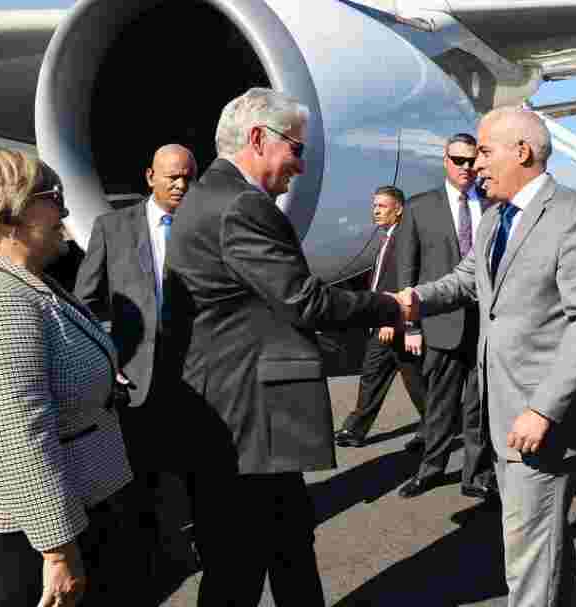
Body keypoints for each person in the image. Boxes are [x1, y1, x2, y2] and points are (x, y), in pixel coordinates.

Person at [162, 88, 404, 607]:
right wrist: (390, 306)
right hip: (247, 418)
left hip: (241, 413)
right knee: (240, 564)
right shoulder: (241, 205)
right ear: (258, 139)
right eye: (297, 148)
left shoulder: (212, 197)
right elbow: (304, 301)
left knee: (287, 541)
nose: (300, 164)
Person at [396, 106, 576, 607]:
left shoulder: (575, 216)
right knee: (543, 546)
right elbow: (467, 280)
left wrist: (543, 408)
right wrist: (414, 299)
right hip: (501, 409)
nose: (476, 163)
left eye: (486, 151)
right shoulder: (496, 216)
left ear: (523, 151)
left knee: (527, 554)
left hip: (541, 417)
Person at [0, 149, 133, 607]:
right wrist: (57, 549)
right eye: (52, 197)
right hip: (26, 543)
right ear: (5, 213)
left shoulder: (24, 281)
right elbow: (16, 432)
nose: (66, 211)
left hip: (68, 515)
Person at [74, 143, 199, 576]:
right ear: (150, 176)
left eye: (188, 176)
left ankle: (203, 542)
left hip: (198, 370)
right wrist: (111, 360)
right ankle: (151, 555)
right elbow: (84, 305)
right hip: (137, 376)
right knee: (143, 473)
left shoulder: (204, 226)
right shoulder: (112, 228)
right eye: (172, 177)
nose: (181, 184)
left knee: (199, 465)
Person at [394, 133, 496, 500]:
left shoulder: (492, 206)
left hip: (485, 323)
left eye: (472, 161)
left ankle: (476, 473)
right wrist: (409, 324)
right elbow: (406, 271)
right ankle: (431, 468)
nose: (466, 168)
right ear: (445, 160)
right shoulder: (421, 208)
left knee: (479, 405)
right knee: (439, 403)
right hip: (440, 323)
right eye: (459, 160)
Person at [335, 186, 428, 447]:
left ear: (398, 209)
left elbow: (404, 282)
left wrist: (390, 319)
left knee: (394, 376)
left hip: (394, 322)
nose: (376, 211)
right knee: (388, 375)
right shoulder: (388, 238)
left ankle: (434, 427)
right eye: (375, 206)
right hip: (385, 321)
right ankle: (355, 429)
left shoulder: (402, 240)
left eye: (382, 206)